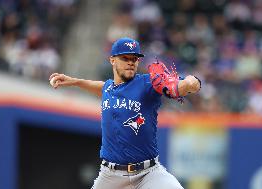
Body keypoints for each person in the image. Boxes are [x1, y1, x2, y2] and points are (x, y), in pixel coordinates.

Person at [49, 37, 201, 189]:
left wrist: (190, 82)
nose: (130, 62)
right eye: (125, 58)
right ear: (112, 60)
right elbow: (101, 87)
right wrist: (75, 82)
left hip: (148, 174)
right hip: (110, 177)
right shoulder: (109, 88)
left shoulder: (148, 83)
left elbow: (185, 85)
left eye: (134, 59)